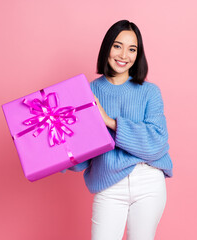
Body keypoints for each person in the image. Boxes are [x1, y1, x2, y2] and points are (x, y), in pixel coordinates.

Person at [68, 20, 173, 240]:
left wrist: (109, 121)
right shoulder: (87, 92)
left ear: (138, 54)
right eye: (117, 46)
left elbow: (156, 144)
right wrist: (55, 152)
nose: (124, 54)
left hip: (147, 181)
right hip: (108, 183)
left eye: (132, 49)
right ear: (107, 47)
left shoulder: (150, 92)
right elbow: (84, 155)